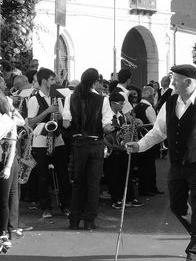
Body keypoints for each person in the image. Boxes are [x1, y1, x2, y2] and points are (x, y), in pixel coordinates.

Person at [126, 64, 196, 261]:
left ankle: (193, 253)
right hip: (177, 165)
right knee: (177, 207)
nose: (172, 82)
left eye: (175, 79)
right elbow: (159, 132)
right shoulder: (171, 101)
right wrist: (139, 146)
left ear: (189, 81)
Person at [62, 68, 114, 230]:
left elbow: (66, 123)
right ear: (95, 82)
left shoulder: (70, 97)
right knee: (93, 183)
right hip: (96, 144)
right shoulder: (103, 100)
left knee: (78, 182)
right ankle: (89, 221)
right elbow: (106, 127)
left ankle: (74, 220)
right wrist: (112, 127)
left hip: (78, 144)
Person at [27, 68, 71, 219]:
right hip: (40, 141)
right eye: (52, 80)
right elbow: (30, 122)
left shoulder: (56, 97)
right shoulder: (33, 99)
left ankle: (65, 205)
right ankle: (46, 207)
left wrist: (59, 115)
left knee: (63, 173)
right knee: (42, 176)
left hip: (57, 139)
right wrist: (47, 112)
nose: (55, 82)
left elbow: (64, 120)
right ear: (44, 81)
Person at [103, 91, 143, 209]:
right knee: (114, 174)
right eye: (120, 103)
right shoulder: (107, 115)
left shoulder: (122, 116)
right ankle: (116, 198)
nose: (121, 106)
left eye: (122, 103)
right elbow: (106, 133)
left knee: (126, 173)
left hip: (122, 149)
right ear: (112, 103)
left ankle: (129, 197)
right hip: (111, 150)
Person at [0, 89, 25, 252]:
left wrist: (8, 167)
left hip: (5, 162)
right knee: (8, 196)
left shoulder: (9, 120)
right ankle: (9, 230)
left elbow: (13, 143)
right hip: (7, 162)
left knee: (5, 198)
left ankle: (5, 232)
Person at [133, 86, 163, 196]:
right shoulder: (148, 108)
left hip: (139, 140)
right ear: (151, 96)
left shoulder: (137, 107)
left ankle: (148, 187)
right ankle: (148, 188)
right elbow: (156, 126)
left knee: (143, 166)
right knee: (149, 165)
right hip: (148, 140)